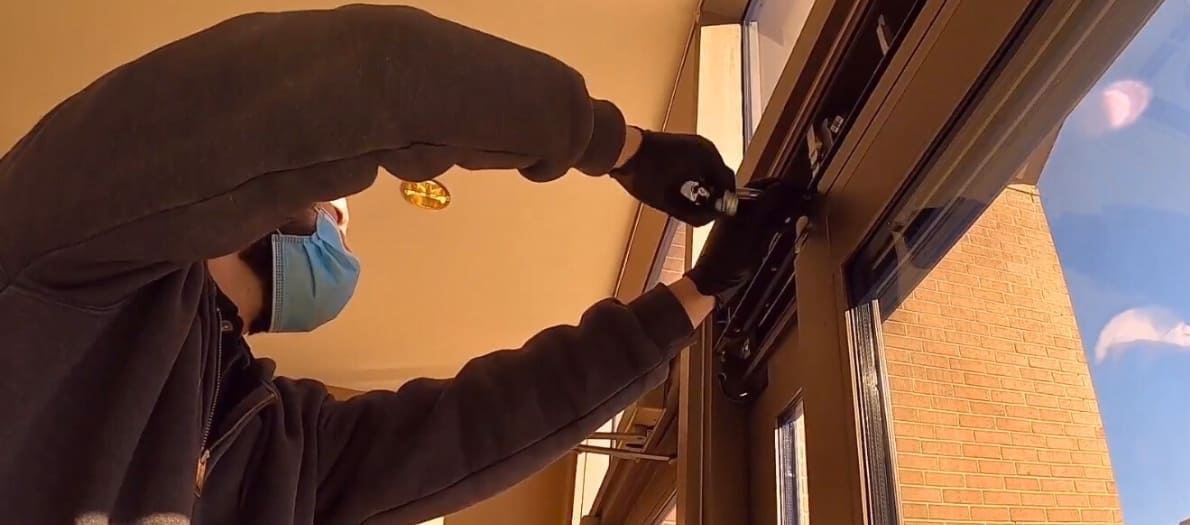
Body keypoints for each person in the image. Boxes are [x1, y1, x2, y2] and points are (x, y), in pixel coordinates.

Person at [0, 5, 797, 524]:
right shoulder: (68, 240)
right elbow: (368, 79)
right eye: (335, 212)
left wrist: (697, 293)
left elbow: (483, 431)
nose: (339, 222)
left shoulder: (281, 450)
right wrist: (619, 145)